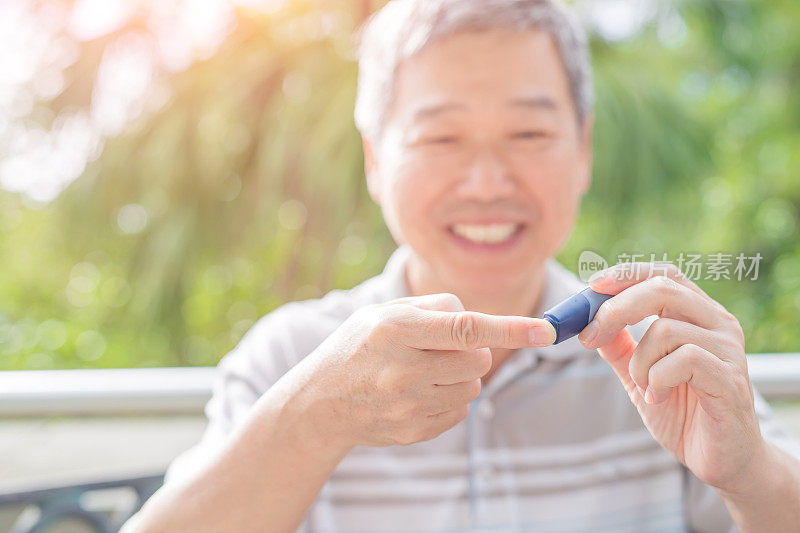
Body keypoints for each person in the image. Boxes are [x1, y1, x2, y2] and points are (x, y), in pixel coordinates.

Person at [123, 0, 800, 531]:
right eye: (441, 136)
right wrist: (314, 417)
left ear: (584, 148)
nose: (485, 182)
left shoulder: (658, 355)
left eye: (529, 133)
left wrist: (752, 475)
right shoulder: (292, 357)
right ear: (375, 160)